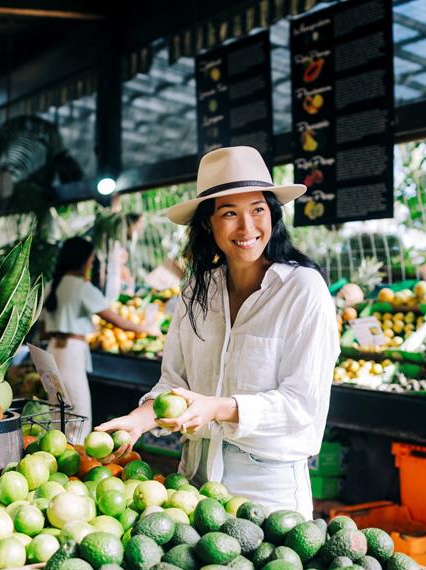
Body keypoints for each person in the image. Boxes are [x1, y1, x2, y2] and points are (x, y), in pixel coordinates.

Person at [98, 146, 339, 518]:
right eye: (229, 213)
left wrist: (218, 408)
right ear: (208, 223)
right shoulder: (196, 291)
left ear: (273, 215)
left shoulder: (303, 289)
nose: (247, 228)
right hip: (191, 487)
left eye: (258, 210)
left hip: (266, 495)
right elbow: (172, 382)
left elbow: (301, 404)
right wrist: (139, 420)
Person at [43, 237, 156, 433]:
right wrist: (147, 329)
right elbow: (116, 320)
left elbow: (43, 329)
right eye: (91, 260)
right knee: (78, 415)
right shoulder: (81, 287)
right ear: (84, 260)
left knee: (56, 413)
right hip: (71, 353)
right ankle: (77, 460)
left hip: (51, 349)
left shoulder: (52, 285)